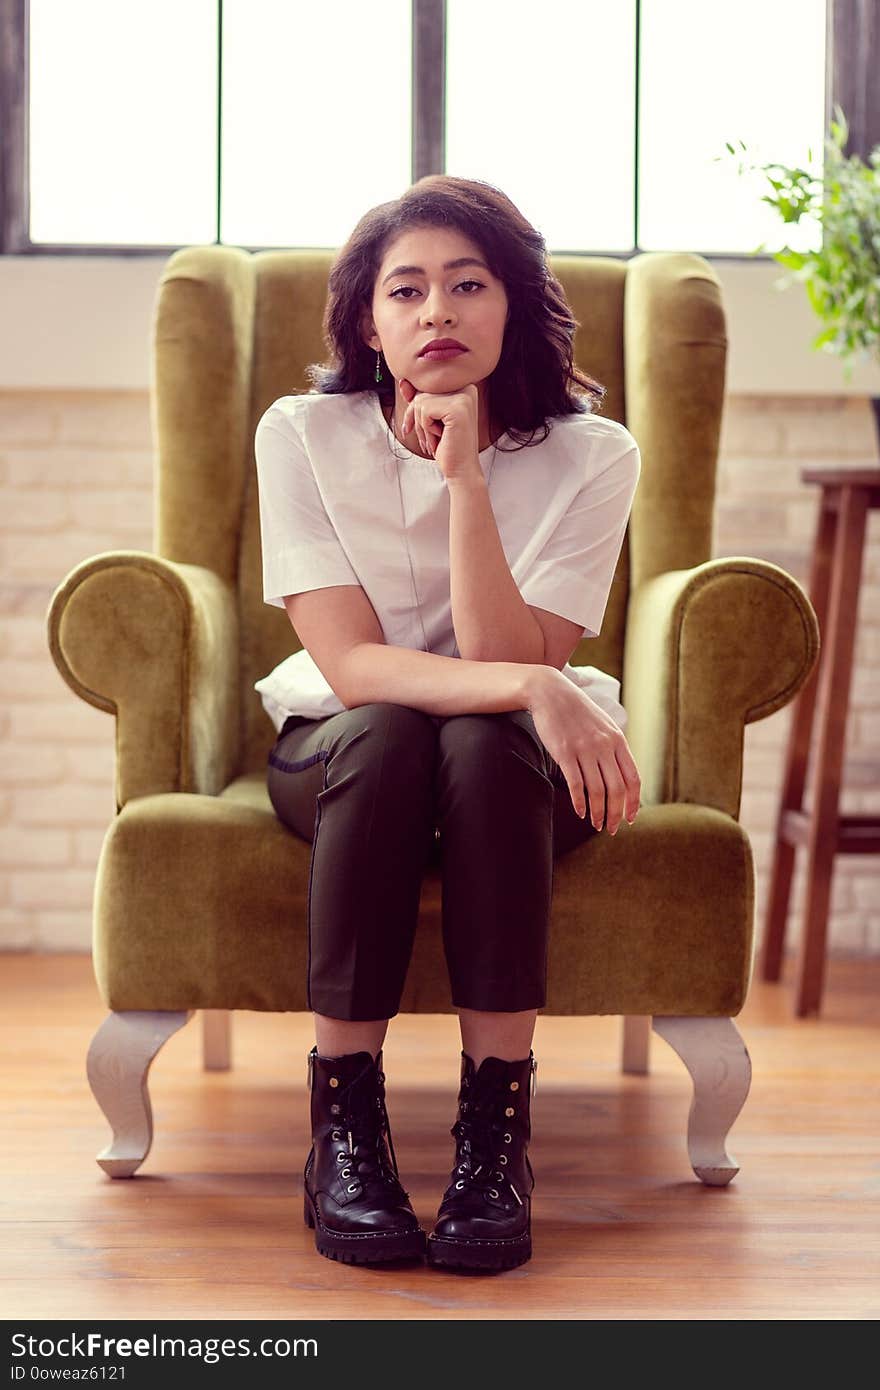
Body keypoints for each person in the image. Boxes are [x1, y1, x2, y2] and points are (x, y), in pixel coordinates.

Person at [253, 174, 642, 1273]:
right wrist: (531, 688)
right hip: (343, 748)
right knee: (385, 727)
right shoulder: (302, 433)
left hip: (510, 768)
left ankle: (492, 1133)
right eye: (406, 290)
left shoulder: (592, 456)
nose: (436, 313)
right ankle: (343, 1132)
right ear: (368, 324)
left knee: (473, 737)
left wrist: (466, 480)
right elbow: (349, 663)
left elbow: (511, 658)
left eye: (466, 285)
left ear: (511, 305)